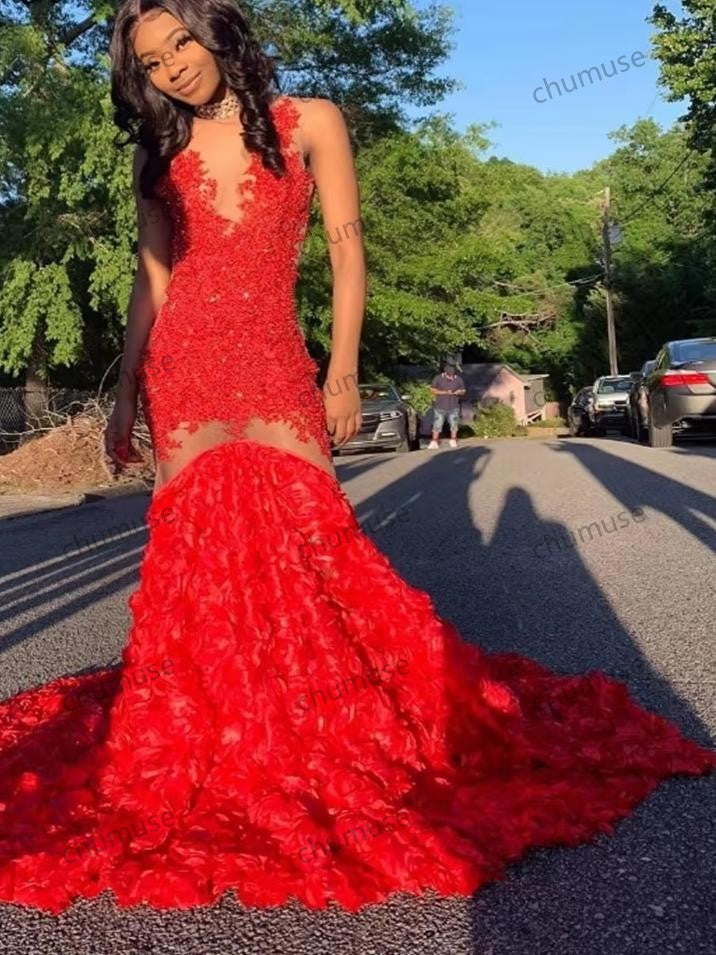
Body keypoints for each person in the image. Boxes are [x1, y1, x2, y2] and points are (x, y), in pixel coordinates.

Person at [0, 0, 714, 918]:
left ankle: (315, 717)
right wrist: (127, 390)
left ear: (216, 32)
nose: (173, 64)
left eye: (181, 41)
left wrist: (341, 370)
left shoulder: (311, 121)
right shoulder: (156, 153)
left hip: (271, 355)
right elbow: (154, 280)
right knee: (195, 561)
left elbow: (346, 249)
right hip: (184, 366)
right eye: (151, 60)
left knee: (314, 544)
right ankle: (214, 727)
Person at [428, 361, 465, 449]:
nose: (451, 377)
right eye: (449, 375)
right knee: (437, 424)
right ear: (445, 373)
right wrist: (445, 392)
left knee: (454, 424)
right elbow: (432, 390)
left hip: (454, 406)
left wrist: (459, 392)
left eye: (453, 375)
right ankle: (434, 441)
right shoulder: (438, 378)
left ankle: (453, 440)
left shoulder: (459, 379)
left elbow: (463, 391)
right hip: (440, 406)